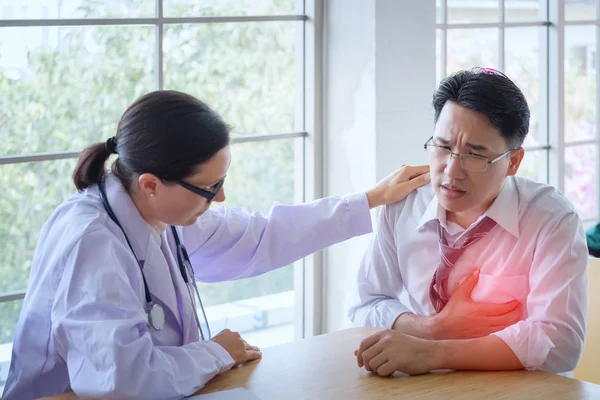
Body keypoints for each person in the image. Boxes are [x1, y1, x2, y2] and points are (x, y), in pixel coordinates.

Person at [2, 90, 430, 400]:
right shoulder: (90, 242)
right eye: (211, 187)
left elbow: (261, 235)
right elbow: (122, 381)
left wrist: (372, 198)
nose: (220, 198)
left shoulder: (157, 209)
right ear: (151, 183)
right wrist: (215, 352)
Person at [349, 67, 588, 377]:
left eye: (475, 155)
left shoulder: (551, 220)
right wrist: (431, 328)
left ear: (513, 162)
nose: (451, 172)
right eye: (443, 147)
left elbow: (561, 344)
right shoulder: (403, 205)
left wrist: (433, 353)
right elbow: (364, 304)